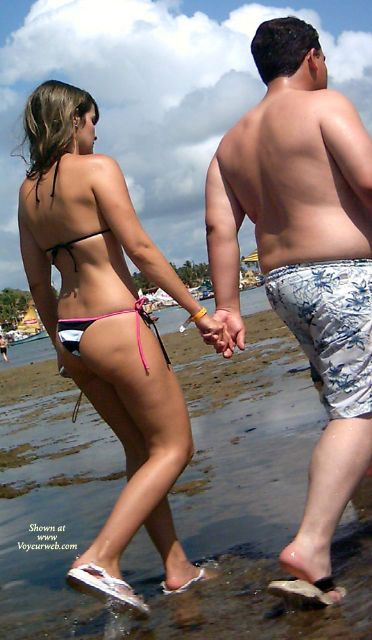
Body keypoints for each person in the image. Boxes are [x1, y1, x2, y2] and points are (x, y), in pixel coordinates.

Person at [204, 17, 372, 606]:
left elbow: (221, 228)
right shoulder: (324, 105)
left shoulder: (230, 142)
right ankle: (312, 544)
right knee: (357, 407)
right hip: (344, 279)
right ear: (313, 58)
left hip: (284, 285)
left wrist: (227, 307)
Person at [17, 80, 231, 616]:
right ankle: (101, 558)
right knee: (175, 448)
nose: (96, 130)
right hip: (116, 322)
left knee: (141, 452)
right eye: (92, 119)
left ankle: (177, 569)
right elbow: (139, 248)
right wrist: (199, 311)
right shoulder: (98, 169)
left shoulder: (26, 193)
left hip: (72, 332)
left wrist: (60, 350)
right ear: (73, 120)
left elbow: (39, 285)